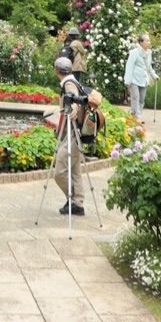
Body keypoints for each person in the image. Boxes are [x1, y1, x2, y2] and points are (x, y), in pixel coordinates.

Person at [52, 55, 104, 215]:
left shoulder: (68, 84)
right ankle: (77, 204)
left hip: (74, 134)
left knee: (59, 171)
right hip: (77, 133)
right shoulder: (74, 81)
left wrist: (73, 109)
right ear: (71, 69)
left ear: (56, 71)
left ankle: (73, 198)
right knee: (75, 170)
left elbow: (73, 99)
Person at [124, 32, 158, 119]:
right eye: (147, 40)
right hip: (134, 79)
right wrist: (127, 81)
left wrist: (155, 76)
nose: (149, 42)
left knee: (141, 100)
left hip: (144, 79)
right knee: (135, 98)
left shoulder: (149, 53)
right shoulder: (134, 53)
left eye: (149, 40)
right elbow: (129, 66)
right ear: (141, 42)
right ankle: (138, 117)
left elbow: (149, 67)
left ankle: (135, 115)